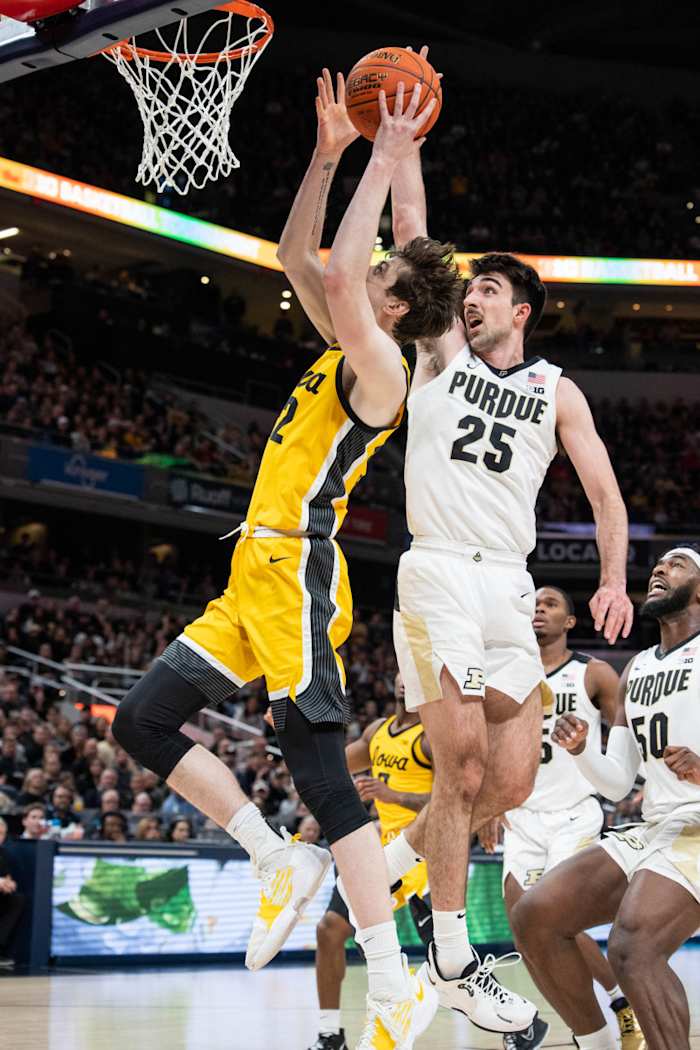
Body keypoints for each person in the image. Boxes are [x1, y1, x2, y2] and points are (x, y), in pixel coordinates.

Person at [112, 72, 461, 1050]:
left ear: (396, 306)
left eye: (383, 273)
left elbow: (343, 274)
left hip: (299, 571)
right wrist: (325, 152)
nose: (367, 269)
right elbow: (296, 257)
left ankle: (393, 983)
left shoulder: (382, 368)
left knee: (322, 773)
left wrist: (383, 157)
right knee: (141, 722)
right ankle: (274, 858)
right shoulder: (350, 342)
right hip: (251, 575)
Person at [383, 47, 634, 1034]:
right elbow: (414, 238)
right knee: (461, 770)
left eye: (487, 289)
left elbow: (605, 491)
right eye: (468, 289)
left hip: (509, 582)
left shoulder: (554, 387)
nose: (471, 297)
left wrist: (612, 576)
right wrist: (403, 143)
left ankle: (386, 862)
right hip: (440, 567)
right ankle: (448, 951)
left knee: (514, 783)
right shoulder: (440, 354)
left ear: (519, 310)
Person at [512, 546, 700, 1050]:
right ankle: (596, 1042)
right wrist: (581, 751)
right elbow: (618, 783)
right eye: (658, 565)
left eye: (677, 564)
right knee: (534, 916)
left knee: (633, 946)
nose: (660, 569)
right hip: (659, 827)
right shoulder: (637, 668)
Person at [479, 586, 641, 1050]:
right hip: (520, 818)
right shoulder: (505, 674)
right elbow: (488, 746)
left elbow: (630, 733)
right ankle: (602, 1013)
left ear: (570, 622)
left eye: (550, 604)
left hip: (573, 816)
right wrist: (487, 805)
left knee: (550, 917)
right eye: (533, 604)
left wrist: (646, 784)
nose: (538, 609)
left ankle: (613, 1008)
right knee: (525, 929)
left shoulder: (593, 673)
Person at [308, 674, 433, 1050]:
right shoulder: (378, 732)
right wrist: (291, 725)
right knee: (330, 930)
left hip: (421, 851)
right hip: (379, 849)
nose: (406, 680)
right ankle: (330, 1034)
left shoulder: (432, 737)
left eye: (414, 671)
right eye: (401, 671)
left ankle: (514, 1020)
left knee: (444, 958)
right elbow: (328, 764)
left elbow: (454, 801)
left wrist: (393, 795)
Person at [0, 831, 25, 970]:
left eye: (2, 834)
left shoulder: (3, 853)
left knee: (16, 899)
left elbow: (6, 875)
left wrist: (8, 883)